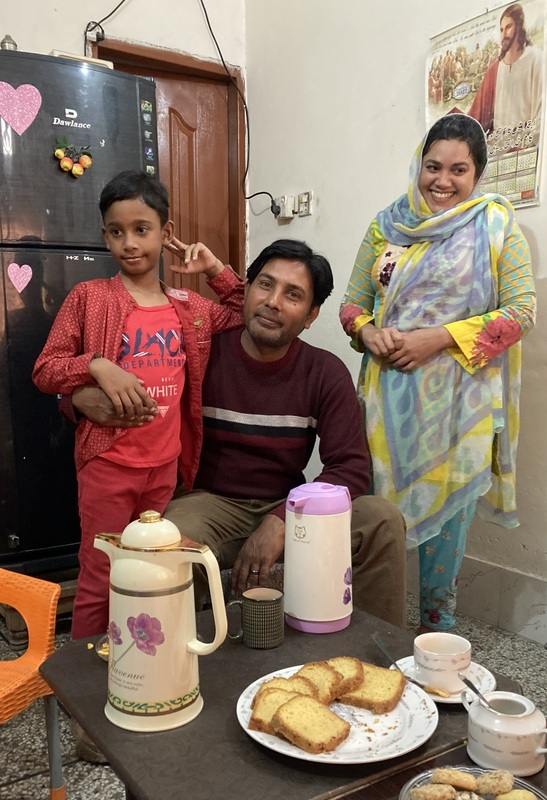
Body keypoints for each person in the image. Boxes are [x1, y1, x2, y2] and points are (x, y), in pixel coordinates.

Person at [73, 239, 408, 628]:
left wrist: (282, 520)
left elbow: (350, 470)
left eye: (293, 295)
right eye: (265, 285)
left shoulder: (325, 373)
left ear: (311, 315)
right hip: (209, 503)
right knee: (166, 542)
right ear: (246, 291)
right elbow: (133, 389)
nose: (273, 302)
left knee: (381, 518)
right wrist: (76, 399)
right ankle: (176, 668)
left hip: (288, 504)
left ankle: (379, 659)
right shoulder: (200, 351)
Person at [339, 113, 535, 631]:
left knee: (448, 526)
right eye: (432, 166)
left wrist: (438, 338)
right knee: (380, 520)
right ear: (418, 165)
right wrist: (367, 331)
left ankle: (437, 634)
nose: (442, 181)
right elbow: (351, 306)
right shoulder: (386, 225)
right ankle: (374, 631)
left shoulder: (495, 226)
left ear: (477, 176)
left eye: (458, 170)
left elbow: (521, 313)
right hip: (387, 405)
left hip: (459, 408)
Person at [33, 170, 244, 639]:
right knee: (101, 573)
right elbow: (45, 370)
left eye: (142, 230)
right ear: (104, 235)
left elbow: (253, 311)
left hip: (164, 467)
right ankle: (85, 684)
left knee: (148, 573)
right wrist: (98, 366)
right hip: (108, 463)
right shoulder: (89, 298)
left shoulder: (190, 307)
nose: (129, 243)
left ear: (166, 234)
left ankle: (138, 661)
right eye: (116, 231)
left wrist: (213, 269)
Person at [468, 3, 543, 134]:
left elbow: (541, 111)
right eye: (501, 29)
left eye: (508, 27)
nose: (504, 34)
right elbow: (476, 117)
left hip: (526, 143)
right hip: (499, 146)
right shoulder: (496, 67)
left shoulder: (535, 58)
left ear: (519, 27)